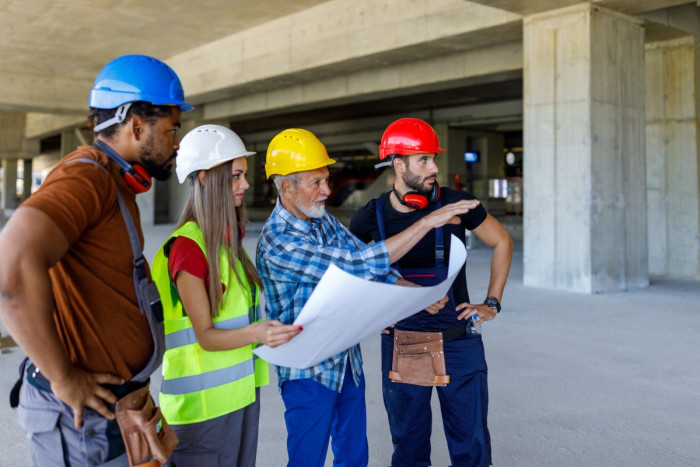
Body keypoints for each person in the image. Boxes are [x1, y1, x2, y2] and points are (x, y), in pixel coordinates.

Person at [0, 54, 192, 466]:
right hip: (78, 420)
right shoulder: (87, 178)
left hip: (115, 411)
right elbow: (10, 270)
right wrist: (64, 378)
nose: (177, 142)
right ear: (137, 126)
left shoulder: (115, 184)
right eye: (172, 128)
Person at [256, 128, 480, 467]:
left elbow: (364, 257)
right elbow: (357, 264)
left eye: (326, 180)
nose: (326, 191)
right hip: (308, 371)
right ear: (287, 187)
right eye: (316, 182)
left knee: (354, 457)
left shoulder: (323, 222)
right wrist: (426, 223)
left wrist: (412, 293)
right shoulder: (277, 242)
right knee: (307, 459)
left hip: (345, 362)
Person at [350, 118, 513, 467]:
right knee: (409, 451)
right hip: (402, 344)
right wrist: (373, 308)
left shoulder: (457, 204)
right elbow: (351, 271)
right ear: (398, 164)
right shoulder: (370, 217)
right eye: (423, 160)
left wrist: (492, 303)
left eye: (433, 158)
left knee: (472, 448)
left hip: (458, 340)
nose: (435, 167)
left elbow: (502, 241)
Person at [152, 124, 301, 466]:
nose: (245, 185)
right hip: (202, 413)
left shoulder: (226, 243)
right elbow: (205, 336)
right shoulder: (189, 248)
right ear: (205, 177)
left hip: (240, 397)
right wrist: (257, 333)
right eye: (235, 176)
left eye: (243, 175)